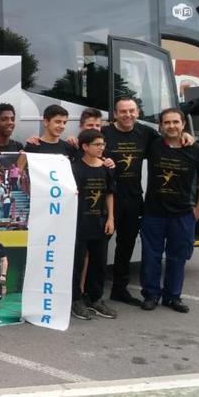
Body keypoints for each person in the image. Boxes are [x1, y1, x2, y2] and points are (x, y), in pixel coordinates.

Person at [102, 96, 193, 307]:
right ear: (115, 114)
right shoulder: (104, 133)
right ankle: (91, 293)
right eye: (123, 111)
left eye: (132, 111)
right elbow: (84, 146)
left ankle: (119, 289)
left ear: (138, 112)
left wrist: (187, 135)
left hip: (133, 199)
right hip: (107, 198)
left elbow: (170, 138)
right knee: (99, 248)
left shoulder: (146, 133)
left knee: (125, 245)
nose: (128, 115)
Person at [140, 108, 199, 314]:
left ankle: (172, 297)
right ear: (161, 126)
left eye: (175, 122)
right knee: (150, 256)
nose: (171, 126)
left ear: (183, 125)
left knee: (177, 257)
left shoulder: (197, 150)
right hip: (153, 213)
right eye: (167, 123)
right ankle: (151, 295)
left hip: (182, 214)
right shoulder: (153, 144)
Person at [70, 129, 117, 321]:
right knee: (77, 264)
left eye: (102, 144)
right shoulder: (74, 168)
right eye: (97, 144)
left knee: (99, 263)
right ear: (85, 147)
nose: (101, 148)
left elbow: (109, 194)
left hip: (100, 223)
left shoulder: (106, 167)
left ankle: (95, 299)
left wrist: (111, 218)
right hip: (80, 224)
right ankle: (76, 300)